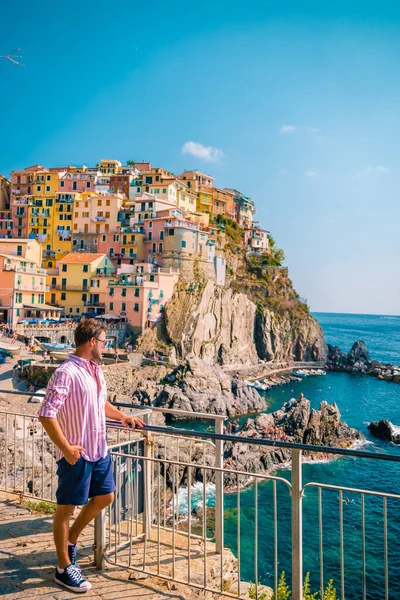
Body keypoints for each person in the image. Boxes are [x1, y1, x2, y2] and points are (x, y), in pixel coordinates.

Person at [38, 318, 145, 593]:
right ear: (91, 342)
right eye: (104, 341)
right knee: (65, 509)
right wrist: (66, 448)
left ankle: (71, 540)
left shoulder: (95, 370)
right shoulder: (66, 372)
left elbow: (101, 401)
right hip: (77, 453)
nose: (106, 345)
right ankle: (63, 568)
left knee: (106, 496)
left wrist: (122, 416)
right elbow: (47, 413)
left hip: (99, 450)